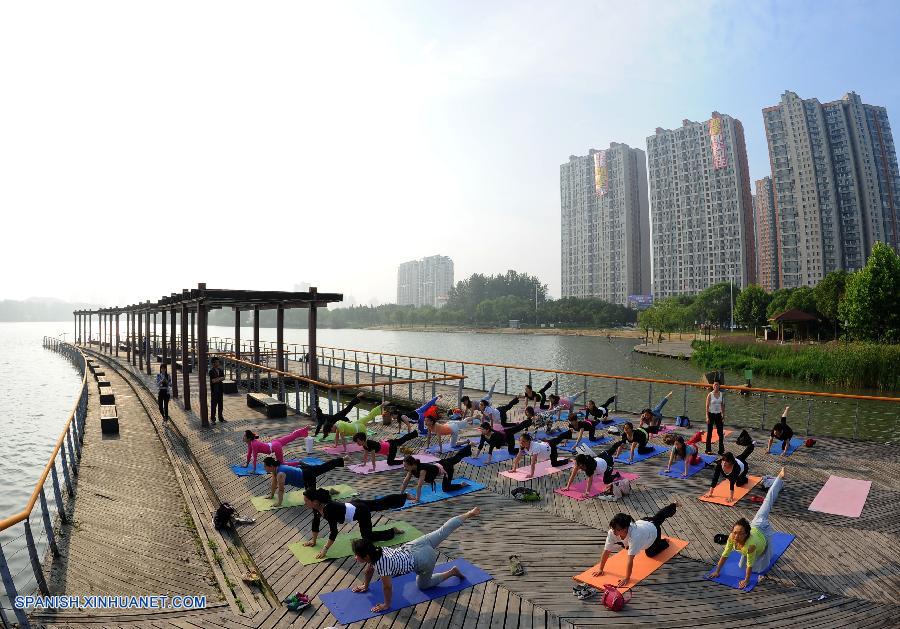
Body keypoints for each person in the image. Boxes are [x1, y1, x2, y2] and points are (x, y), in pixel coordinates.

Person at [350, 507, 480, 613]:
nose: (355, 557)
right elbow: (368, 570)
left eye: (357, 555)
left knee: (423, 585)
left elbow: (388, 587)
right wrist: (365, 586)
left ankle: (452, 572)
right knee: (442, 531)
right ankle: (469, 513)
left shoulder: (381, 564)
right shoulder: (376, 550)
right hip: (416, 545)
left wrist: (386, 604)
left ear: (366, 557)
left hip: (423, 559)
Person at [708, 468, 786, 588]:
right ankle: (779, 479)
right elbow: (725, 554)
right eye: (734, 533)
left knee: (768, 501)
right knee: (741, 566)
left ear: (746, 534)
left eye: (739, 534)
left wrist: (746, 580)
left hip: (763, 531)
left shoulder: (750, 545)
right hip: (755, 524)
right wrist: (717, 571)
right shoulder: (732, 538)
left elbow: (750, 564)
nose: (736, 536)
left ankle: (779, 478)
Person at [302, 488, 408, 558]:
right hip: (354, 504)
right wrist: (314, 541)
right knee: (379, 503)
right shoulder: (317, 507)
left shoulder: (328, 510)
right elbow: (315, 523)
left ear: (315, 501)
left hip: (361, 511)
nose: (304, 503)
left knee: (368, 536)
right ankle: (403, 497)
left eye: (306, 500)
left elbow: (333, 531)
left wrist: (325, 549)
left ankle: (392, 531)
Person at [593, 502, 680, 587]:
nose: (614, 531)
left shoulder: (635, 536)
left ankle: (664, 541)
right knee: (658, 517)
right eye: (613, 528)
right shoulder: (613, 532)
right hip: (644, 521)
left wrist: (627, 578)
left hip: (653, 531)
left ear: (626, 528)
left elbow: (630, 559)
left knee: (650, 553)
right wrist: (601, 569)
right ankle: (673, 505)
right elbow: (607, 551)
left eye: (617, 529)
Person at [400, 444, 473, 502]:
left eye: (405, 466)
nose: (404, 468)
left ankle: (462, 485)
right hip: (441, 463)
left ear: (412, 464)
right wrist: (401, 494)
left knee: (446, 489)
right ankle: (469, 446)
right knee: (456, 457)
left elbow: (419, 486)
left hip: (447, 468)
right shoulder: (411, 469)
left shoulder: (422, 470)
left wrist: (417, 499)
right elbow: (405, 482)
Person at [262, 455, 345, 504]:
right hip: (304, 470)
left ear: (271, 466)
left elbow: (281, 490)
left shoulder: (280, 474)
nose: (264, 468)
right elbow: (273, 484)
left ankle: (329, 492)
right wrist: (271, 495)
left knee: (313, 498)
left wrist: (279, 503)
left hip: (307, 476)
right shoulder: (275, 470)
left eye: (265, 466)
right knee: (323, 467)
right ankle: (342, 459)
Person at [244, 427, 310, 469]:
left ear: (249, 438)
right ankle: (305, 429)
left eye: (244, 436)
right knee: (291, 437)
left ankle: (299, 463)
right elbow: (249, 454)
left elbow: (254, 457)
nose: (243, 437)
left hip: (275, 447)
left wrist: (254, 470)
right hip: (275, 443)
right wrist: (247, 464)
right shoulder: (250, 443)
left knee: (282, 463)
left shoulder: (254, 444)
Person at [355, 430, 419, 470]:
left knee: (390, 463)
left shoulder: (370, 444)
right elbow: (365, 455)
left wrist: (373, 468)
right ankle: (415, 433)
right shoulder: (364, 445)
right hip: (388, 444)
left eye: (358, 441)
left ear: (363, 440)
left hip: (391, 447)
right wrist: (364, 464)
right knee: (402, 440)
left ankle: (405, 461)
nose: (357, 443)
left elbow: (373, 457)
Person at [705, 381, 725, 455]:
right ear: (713, 386)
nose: (716, 386)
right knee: (709, 432)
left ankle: (721, 450)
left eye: (717, 384)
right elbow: (707, 407)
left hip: (719, 415)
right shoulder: (710, 395)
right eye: (715, 384)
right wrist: (707, 416)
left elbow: (722, 405)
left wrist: (723, 415)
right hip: (711, 414)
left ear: (719, 386)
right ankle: (708, 449)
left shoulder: (721, 394)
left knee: (720, 433)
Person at [209, 357, 226, 423]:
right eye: (216, 362)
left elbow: (223, 378)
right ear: (213, 363)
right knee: (214, 405)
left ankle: (221, 418)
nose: (218, 363)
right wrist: (220, 378)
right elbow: (213, 381)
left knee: (220, 405)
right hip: (214, 390)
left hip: (220, 390)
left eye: (218, 362)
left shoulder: (221, 370)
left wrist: (217, 379)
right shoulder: (211, 371)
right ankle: (213, 419)